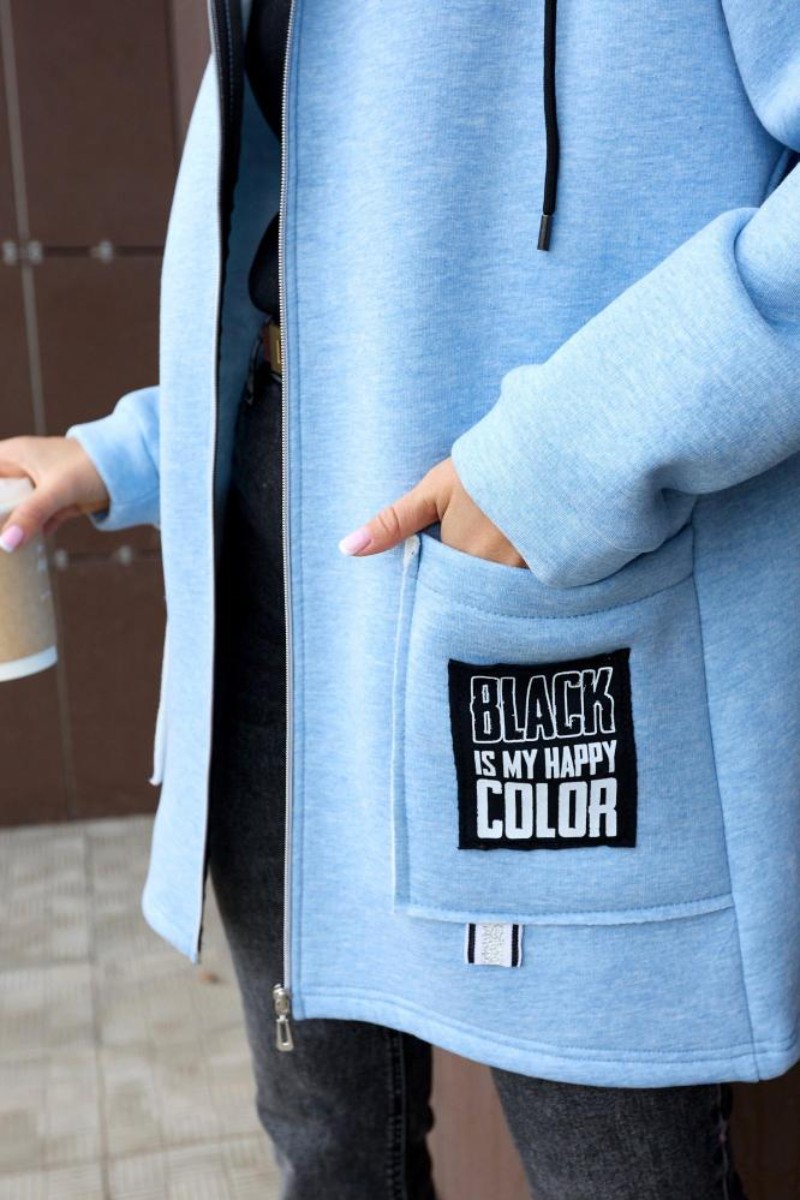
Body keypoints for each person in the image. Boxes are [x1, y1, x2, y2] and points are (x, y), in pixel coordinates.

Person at [1, 0, 798, 1195]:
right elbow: (328, 223)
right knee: (324, 1146)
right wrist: (144, 447)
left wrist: (559, 459)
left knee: (614, 1171)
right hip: (274, 581)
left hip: (558, 581)